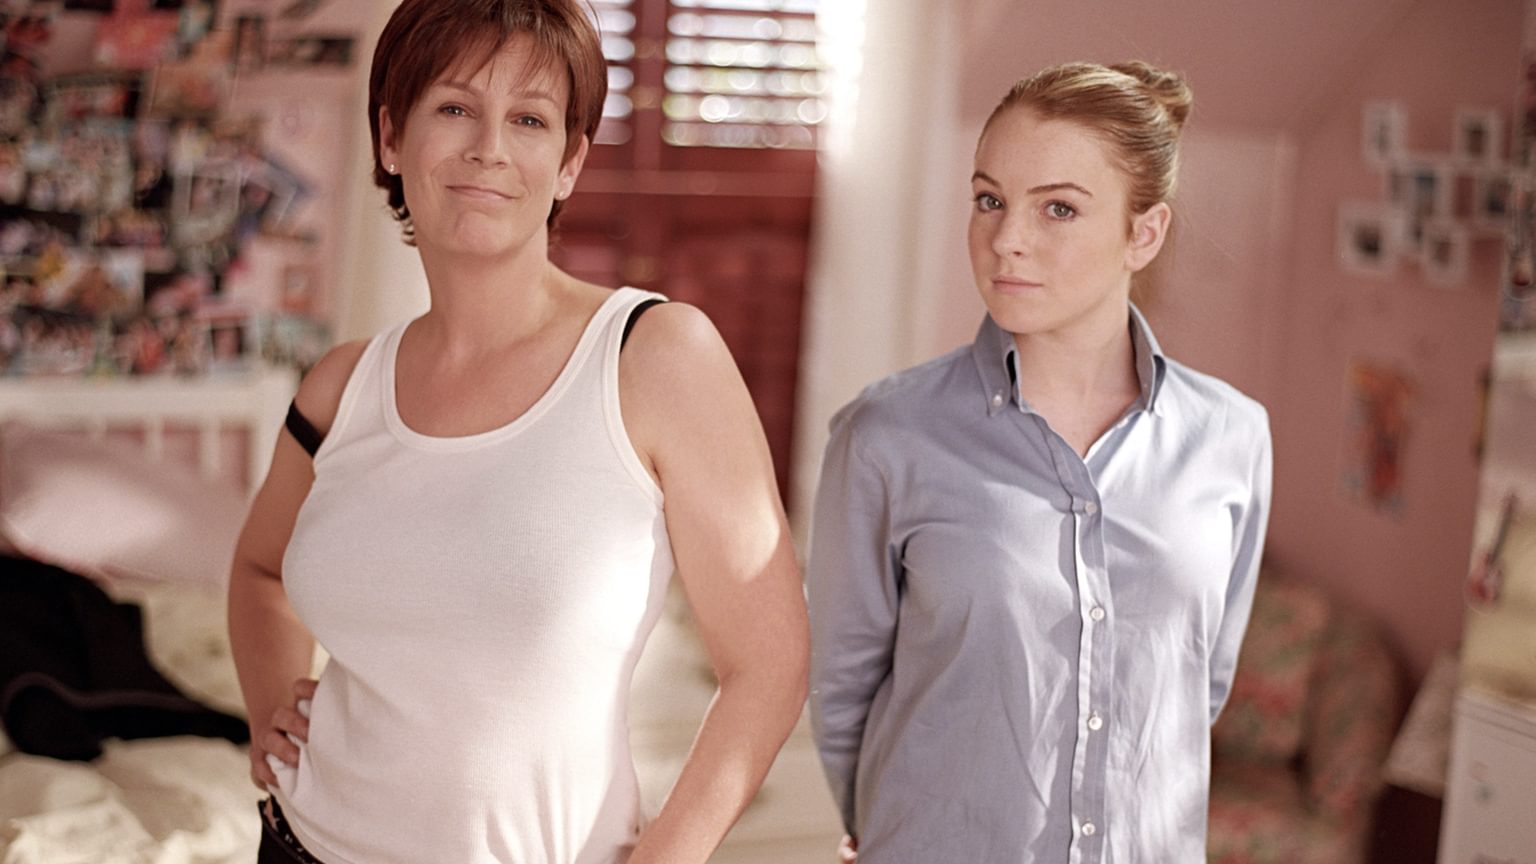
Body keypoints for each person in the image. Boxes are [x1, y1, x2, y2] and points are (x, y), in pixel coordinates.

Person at [227, 2, 809, 862]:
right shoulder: (341, 389)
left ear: (570, 162)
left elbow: (770, 663)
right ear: (391, 138)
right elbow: (258, 569)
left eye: (529, 119)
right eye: (454, 108)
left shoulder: (653, 357)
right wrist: (271, 707)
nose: (489, 148)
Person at [806, 61, 1272, 863]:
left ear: (1143, 234)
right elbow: (841, 688)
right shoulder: (887, 435)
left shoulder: (1232, 436)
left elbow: (1199, 685)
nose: (1006, 240)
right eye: (990, 200)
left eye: (1058, 208)